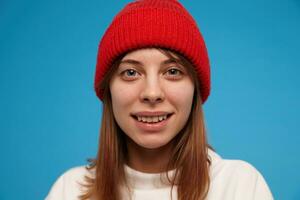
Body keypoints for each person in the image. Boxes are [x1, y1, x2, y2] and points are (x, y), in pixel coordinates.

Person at [45, 0, 274, 199]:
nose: (152, 93)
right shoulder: (69, 190)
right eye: (131, 72)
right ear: (108, 90)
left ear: (195, 89)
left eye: (173, 71)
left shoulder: (239, 186)